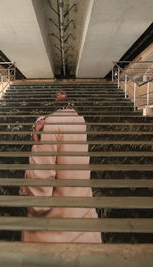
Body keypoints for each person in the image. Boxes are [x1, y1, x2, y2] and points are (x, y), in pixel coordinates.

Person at [19, 91, 102, 243]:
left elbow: (40, 179)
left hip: (54, 228)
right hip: (82, 219)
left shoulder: (49, 124)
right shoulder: (79, 121)